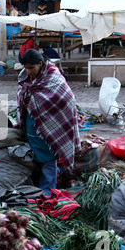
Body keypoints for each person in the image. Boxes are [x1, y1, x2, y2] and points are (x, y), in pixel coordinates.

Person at [16, 49, 81, 196]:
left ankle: (48, 192)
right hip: (32, 124)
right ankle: (39, 186)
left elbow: (67, 98)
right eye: (25, 67)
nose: (28, 71)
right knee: (37, 156)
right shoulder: (25, 76)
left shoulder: (53, 77)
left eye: (31, 68)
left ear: (40, 63)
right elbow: (23, 92)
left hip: (51, 126)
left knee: (48, 158)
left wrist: (36, 102)